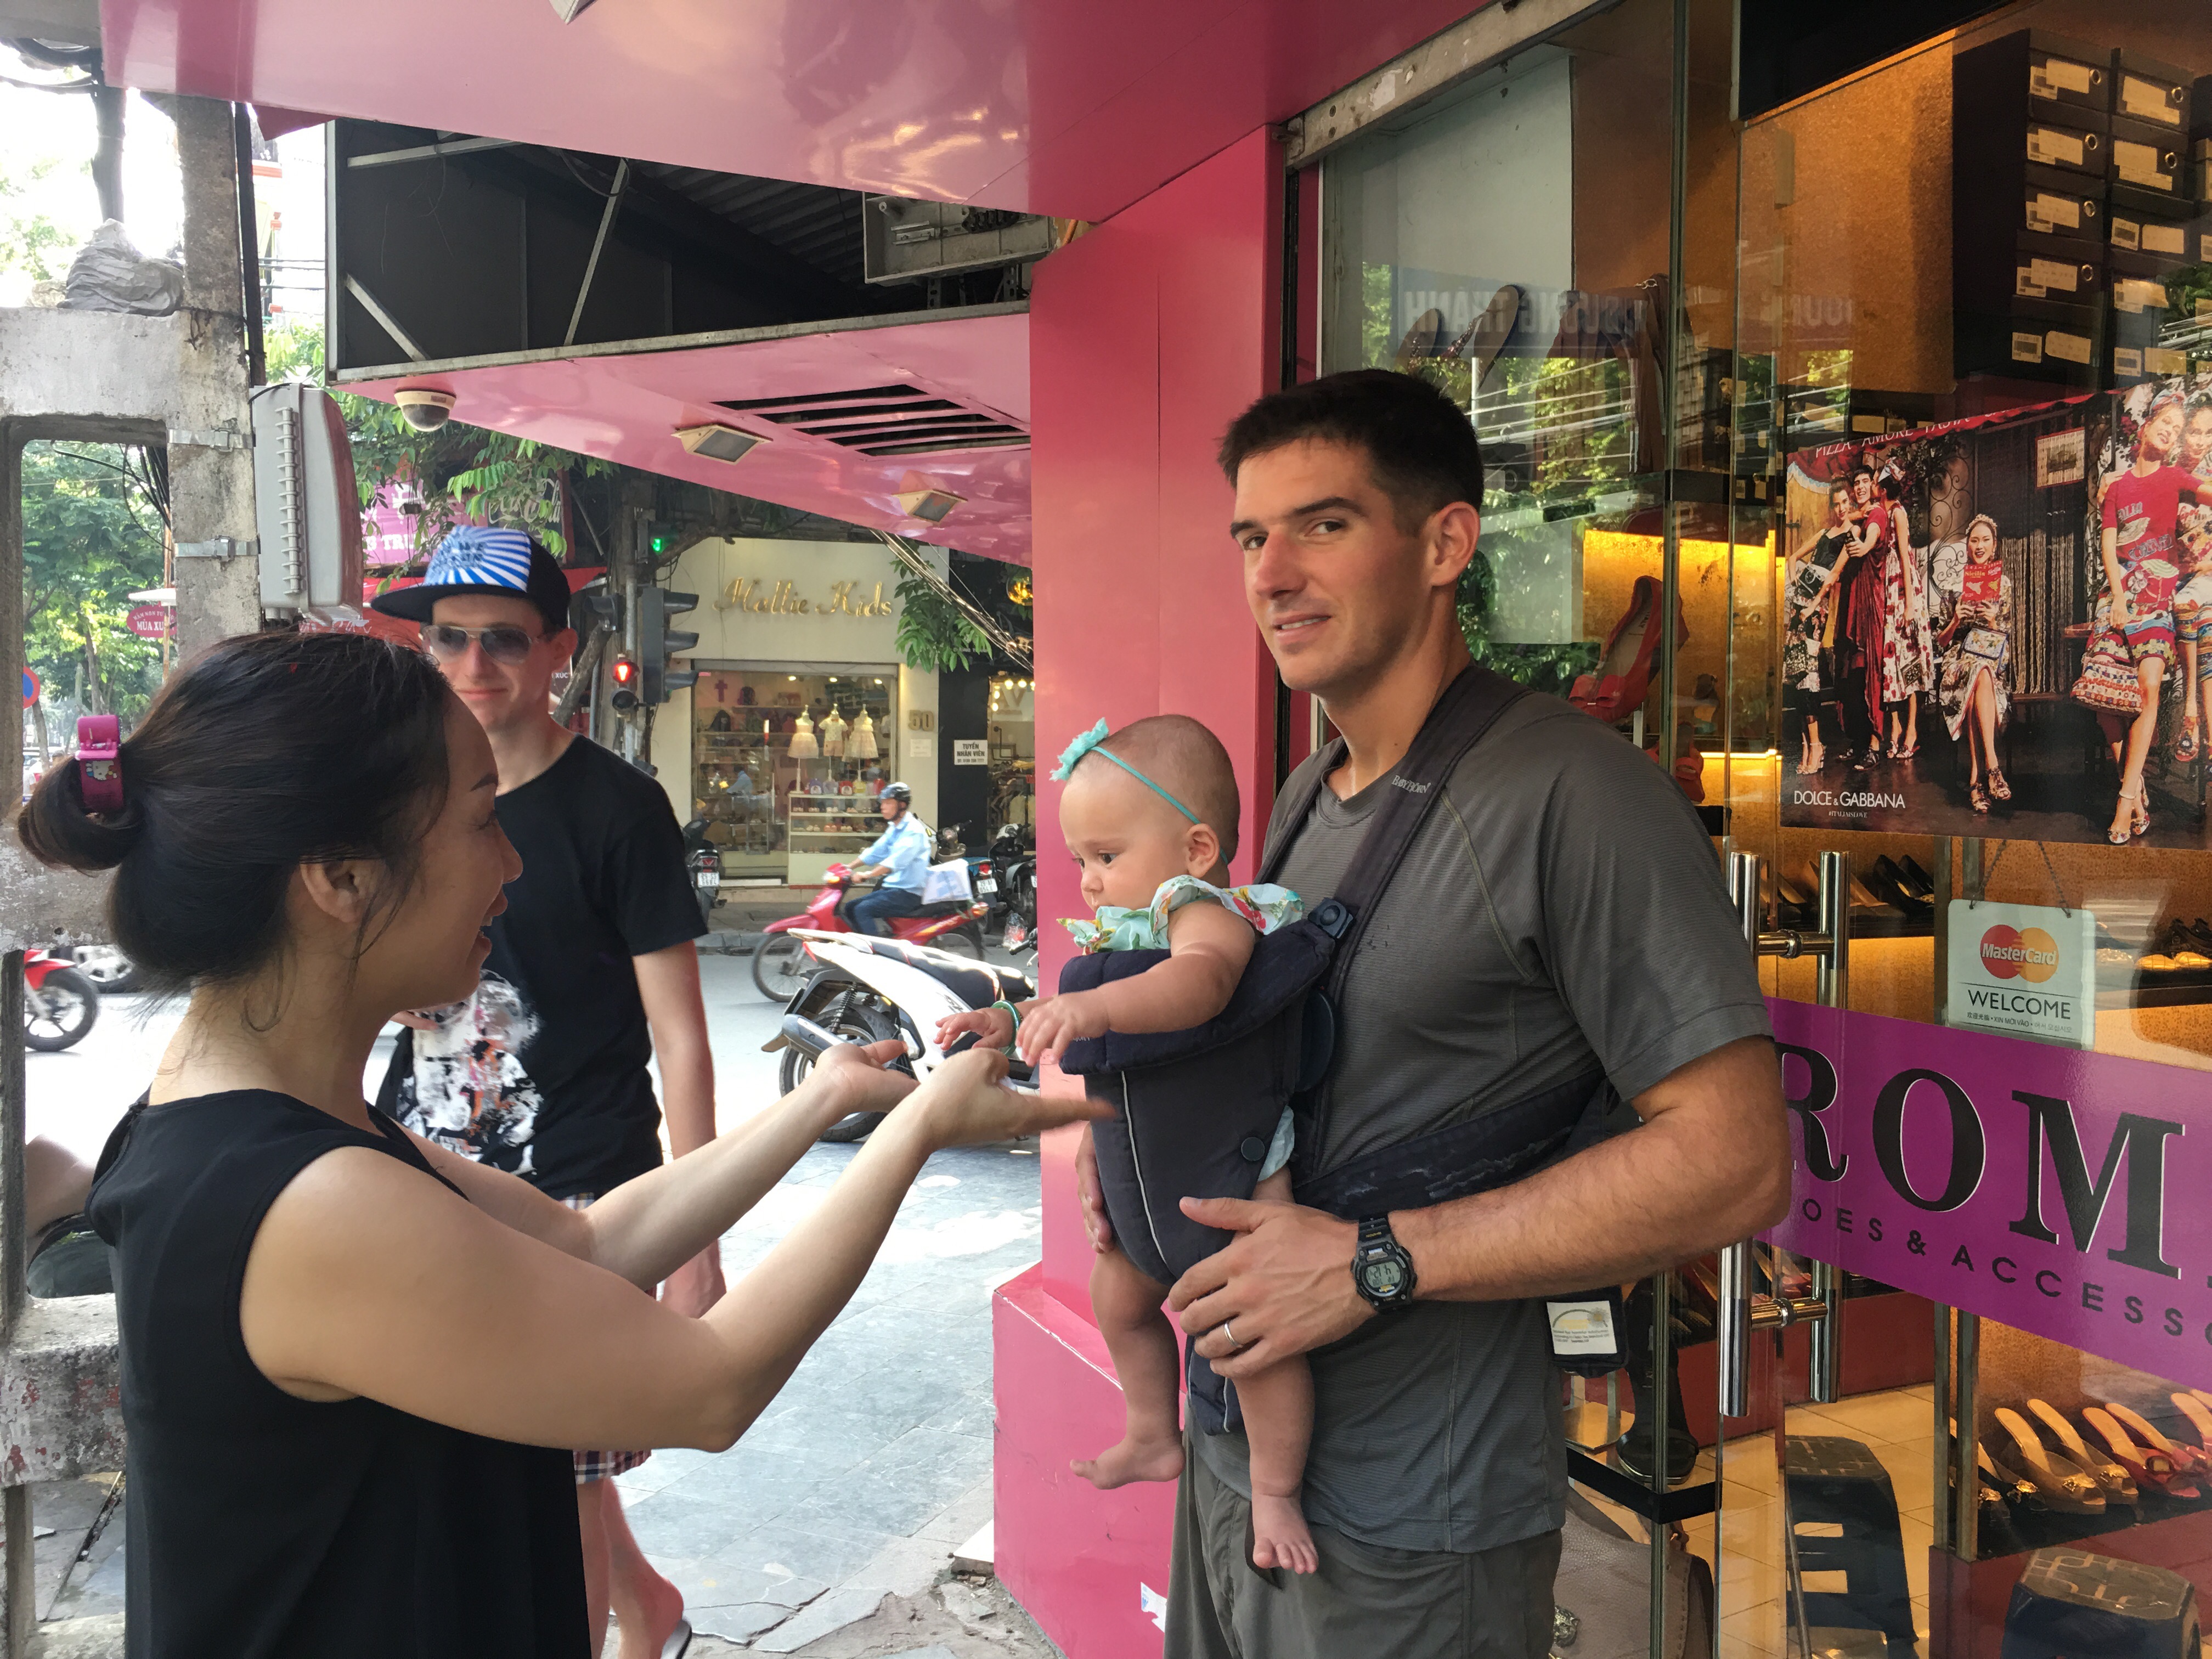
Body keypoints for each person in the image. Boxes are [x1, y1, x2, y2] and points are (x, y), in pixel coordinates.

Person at [17, 630, 1097, 1659]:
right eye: (481, 818)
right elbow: (711, 1386)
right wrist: (916, 1128)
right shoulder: (305, 1202)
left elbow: (587, 1244)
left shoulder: (249, 1120)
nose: (512, 862)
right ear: (341, 878)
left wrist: (823, 1101)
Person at [1118, 368, 1788, 1659]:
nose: (1272, 575)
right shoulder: (1309, 790)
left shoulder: (1576, 795)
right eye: (1252, 538)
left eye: (1322, 526)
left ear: (1444, 544)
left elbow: (1738, 1160)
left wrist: (1375, 1258)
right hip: (1241, 1457)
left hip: (1415, 1521)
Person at [367, 527, 724, 1658]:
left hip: (581, 1190)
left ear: (559, 649)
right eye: (450, 640)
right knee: (516, 1446)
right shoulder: (402, 798)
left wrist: (696, 1241)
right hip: (429, 1172)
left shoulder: (617, 808)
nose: (474, 666)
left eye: (504, 641)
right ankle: (644, 1604)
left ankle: (619, 1620)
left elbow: (682, 1036)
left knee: (552, 1473)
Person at [937, 714, 1319, 1575]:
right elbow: (1071, 1007)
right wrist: (1007, 1020)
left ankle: (1275, 1489)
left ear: (1195, 849)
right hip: (1147, 1186)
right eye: (1081, 860)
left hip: (1235, 1174)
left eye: (1107, 855)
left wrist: (1095, 1009)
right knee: (1119, 1298)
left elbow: (1201, 985)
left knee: (1256, 1338)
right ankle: (1152, 1431)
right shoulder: (1125, 936)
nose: (1090, 880)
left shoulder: (1205, 912)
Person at [2091, 390, 2212, 844]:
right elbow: (2109, 546)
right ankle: (2138, 786)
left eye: (2177, 429)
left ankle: (2125, 802)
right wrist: (2119, 599)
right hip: (2118, 596)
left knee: (2148, 689)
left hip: (2159, 599)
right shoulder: (2117, 486)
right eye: (2166, 423)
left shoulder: (2176, 477)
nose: (2171, 432)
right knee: (2105, 704)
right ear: (2145, 427)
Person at [1930, 514, 2014, 814]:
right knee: (1978, 673)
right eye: (1974, 540)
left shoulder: (2003, 584)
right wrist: (1955, 620)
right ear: (1967, 545)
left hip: (1990, 662)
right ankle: (1993, 768)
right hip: (1957, 663)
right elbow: (1941, 642)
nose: (1979, 546)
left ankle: (1977, 781)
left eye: (1985, 540)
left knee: (1982, 673)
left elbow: (2006, 636)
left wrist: (1992, 621)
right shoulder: (1953, 585)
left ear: (1995, 545)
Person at [1784, 481, 1855, 774]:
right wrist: (1793, 588)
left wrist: (1813, 606)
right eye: (1836, 504)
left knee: (1809, 673)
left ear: (1850, 502)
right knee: (1796, 676)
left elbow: (1834, 574)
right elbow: (1793, 558)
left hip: (1815, 609)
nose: (1841, 509)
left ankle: (1817, 745)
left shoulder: (1852, 535)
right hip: (1798, 603)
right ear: (1832, 506)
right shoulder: (1824, 533)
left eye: (1845, 502)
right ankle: (1806, 745)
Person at [1874, 465, 1935, 761]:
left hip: (1902, 590)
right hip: (1888, 590)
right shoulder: (1881, 512)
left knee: (1910, 661)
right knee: (1892, 663)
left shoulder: (1898, 513)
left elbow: (1904, 557)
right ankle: (1895, 727)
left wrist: (1910, 603)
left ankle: (1911, 730)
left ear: (1884, 488)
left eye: (1877, 483)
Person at [2168, 397, 2212, 763]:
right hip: (2178, 578)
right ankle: (2203, 730)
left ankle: (2190, 713)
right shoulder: (2171, 477)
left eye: (2209, 434)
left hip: (2208, 575)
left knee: (2189, 605)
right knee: (2206, 623)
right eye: (2195, 432)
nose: (2200, 441)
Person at [846, 780, 933, 935]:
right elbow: (876, 851)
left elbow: (895, 862)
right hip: (893, 890)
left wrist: (868, 875)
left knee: (862, 910)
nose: (882, 807)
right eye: (882, 802)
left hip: (908, 894)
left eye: (888, 803)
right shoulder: (895, 827)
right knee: (849, 907)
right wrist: (848, 867)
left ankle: (874, 948)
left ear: (902, 805)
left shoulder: (913, 831)